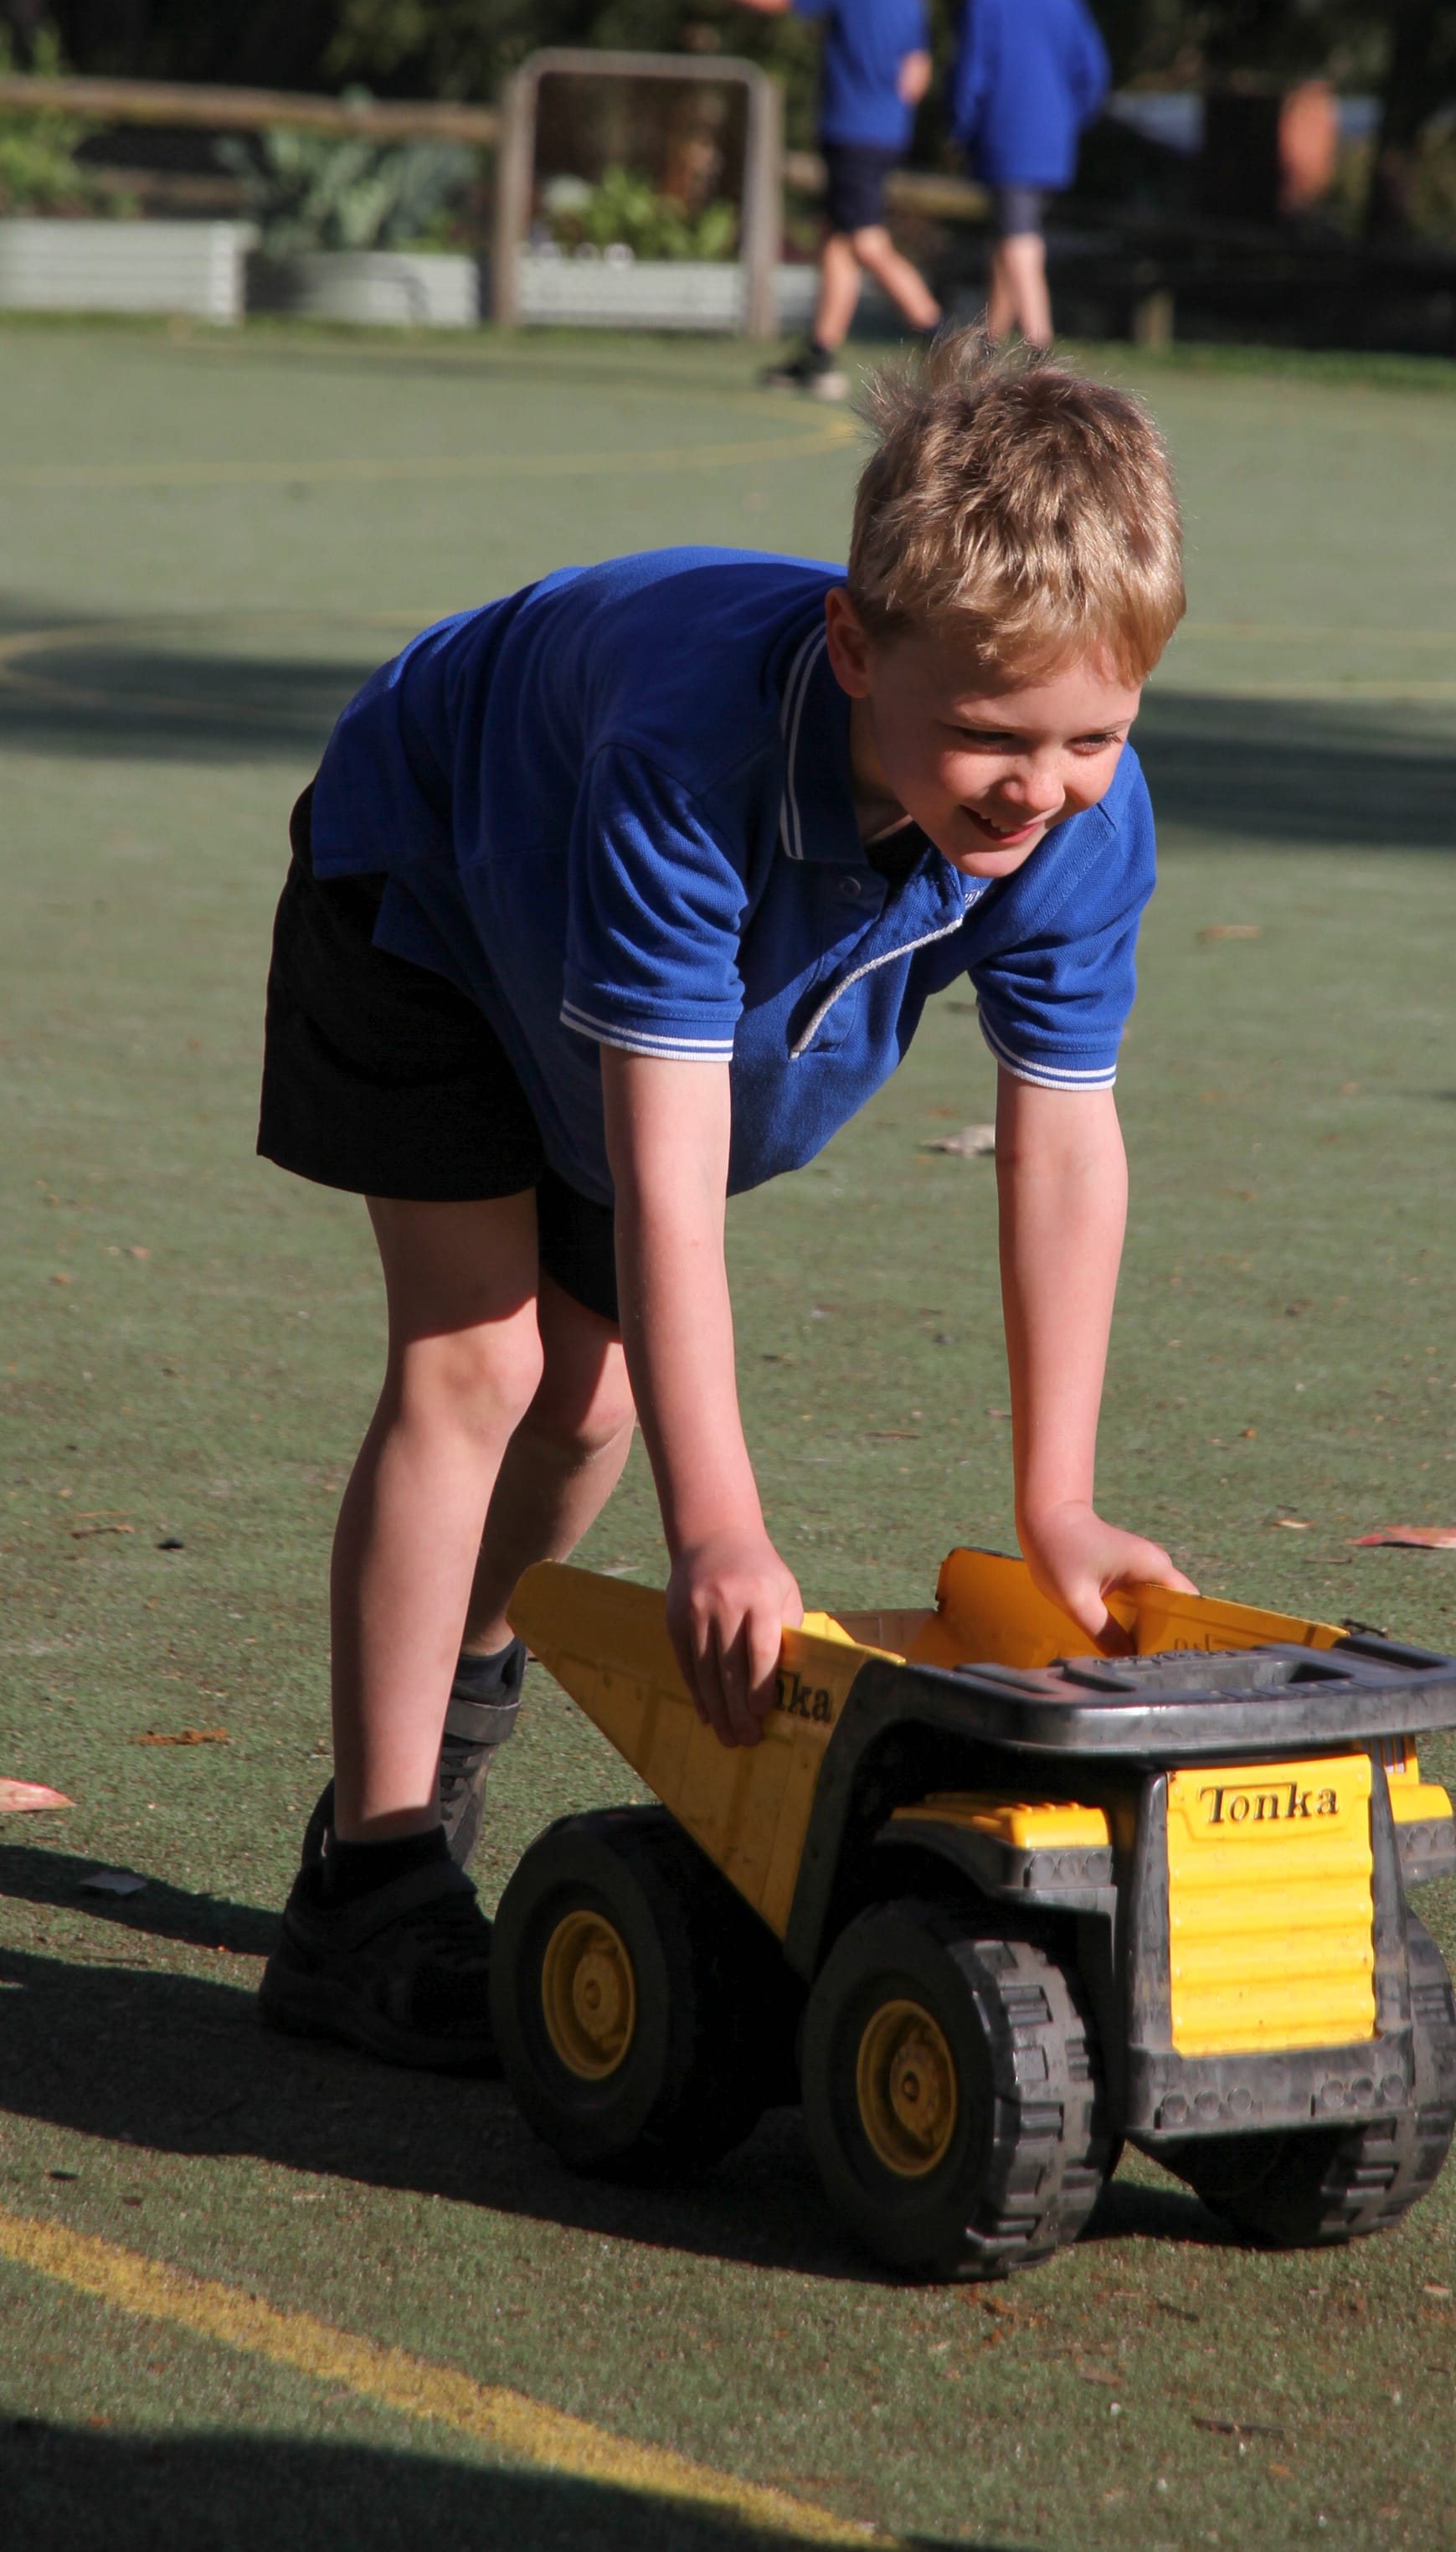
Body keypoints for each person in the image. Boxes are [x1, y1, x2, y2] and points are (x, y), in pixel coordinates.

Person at [255, 330, 1195, 2074]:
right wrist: (720, 1527)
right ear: (851, 649)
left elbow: (1061, 1134)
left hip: (596, 970)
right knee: (477, 1361)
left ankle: (441, 1734)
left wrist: (1053, 1497)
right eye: (990, 734)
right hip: (438, 880)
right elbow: (664, 1176)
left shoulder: (1079, 816)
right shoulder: (687, 762)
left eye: (1091, 733)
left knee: (591, 1398)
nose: (1037, 785)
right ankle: (369, 1886)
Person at [738, 0, 941, 397]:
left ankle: (944, 337)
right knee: (838, 240)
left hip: (852, 131)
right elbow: (917, 76)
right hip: (886, 133)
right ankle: (819, 356)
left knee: (865, 241)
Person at [949, 0, 1110, 348]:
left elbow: (971, 75)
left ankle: (1040, 347)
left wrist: (960, 130)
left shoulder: (985, 6)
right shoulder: (1066, 6)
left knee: (1018, 239)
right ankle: (988, 352)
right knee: (1008, 240)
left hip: (1006, 136)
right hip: (1053, 142)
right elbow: (1094, 75)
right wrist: (1064, 120)